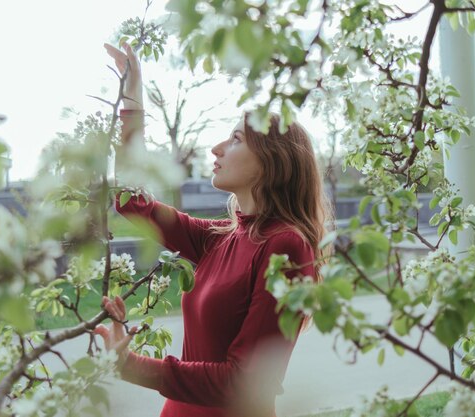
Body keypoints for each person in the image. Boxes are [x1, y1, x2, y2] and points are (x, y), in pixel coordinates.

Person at [94, 43, 333, 417]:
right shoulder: (218, 238)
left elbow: (244, 383)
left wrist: (134, 366)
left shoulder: (286, 246)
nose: (216, 148)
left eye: (236, 139)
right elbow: (131, 201)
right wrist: (132, 99)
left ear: (273, 163)